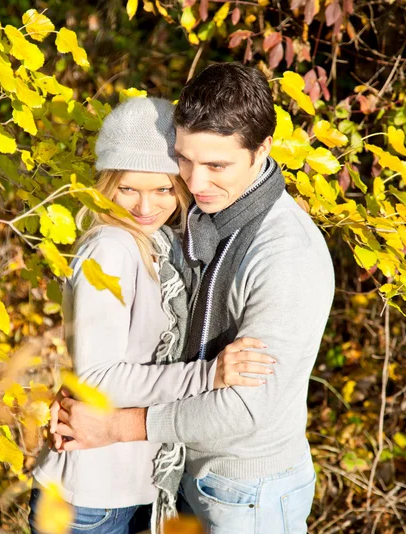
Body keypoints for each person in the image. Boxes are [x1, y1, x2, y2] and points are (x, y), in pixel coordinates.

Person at [51, 63, 336, 534]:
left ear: (262, 149)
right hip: (190, 479)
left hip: (250, 495)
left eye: (217, 165)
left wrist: (113, 425)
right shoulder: (206, 222)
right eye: (184, 159)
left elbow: (245, 409)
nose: (197, 182)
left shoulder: (285, 255)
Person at [29, 96, 275, 534]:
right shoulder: (109, 249)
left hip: (141, 486)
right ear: (107, 184)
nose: (146, 207)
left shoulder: (162, 246)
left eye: (162, 188)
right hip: (90, 499)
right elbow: (99, 378)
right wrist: (208, 375)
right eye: (128, 188)